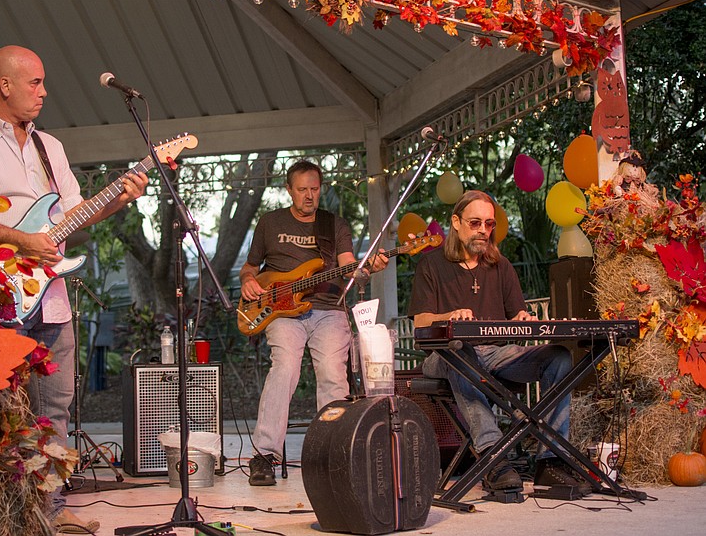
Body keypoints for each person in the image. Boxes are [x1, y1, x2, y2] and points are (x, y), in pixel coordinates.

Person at [0, 45, 148, 533]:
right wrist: (20, 239)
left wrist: (121, 197)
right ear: (4, 85)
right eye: (34, 82)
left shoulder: (49, 148)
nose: (44, 92)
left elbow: (76, 213)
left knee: (54, 407)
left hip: (49, 298)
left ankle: (50, 509)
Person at [408, 190, 590, 496]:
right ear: (456, 222)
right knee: (460, 350)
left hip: (496, 353)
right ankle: (494, 456)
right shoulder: (432, 265)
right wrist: (450, 316)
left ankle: (550, 461)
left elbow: (515, 313)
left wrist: (522, 318)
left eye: (489, 224)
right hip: (443, 357)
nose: (483, 230)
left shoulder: (500, 265)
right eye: (475, 222)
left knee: (558, 357)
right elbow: (420, 322)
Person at [239, 159, 388, 486]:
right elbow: (250, 268)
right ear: (289, 190)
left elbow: (349, 266)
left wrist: (368, 268)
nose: (309, 196)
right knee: (285, 368)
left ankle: (332, 450)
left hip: (328, 308)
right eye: (303, 189)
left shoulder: (333, 225)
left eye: (315, 189)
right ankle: (264, 454)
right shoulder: (270, 223)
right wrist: (249, 282)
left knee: (334, 374)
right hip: (281, 309)